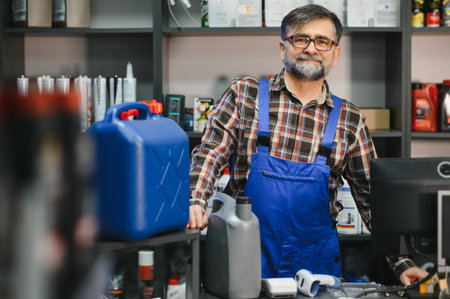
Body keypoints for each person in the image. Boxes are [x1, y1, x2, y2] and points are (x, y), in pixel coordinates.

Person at [186, 4, 428, 284]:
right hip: (241, 257)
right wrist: (196, 200)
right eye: (301, 39)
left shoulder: (350, 119)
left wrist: (401, 263)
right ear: (282, 47)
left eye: (323, 41)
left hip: (314, 267)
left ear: (335, 54)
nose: (311, 48)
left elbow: (372, 199)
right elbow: (209, 153)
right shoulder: (244, 95)